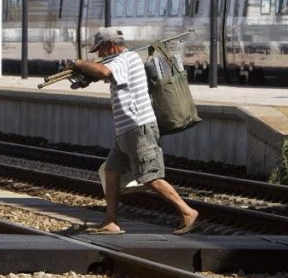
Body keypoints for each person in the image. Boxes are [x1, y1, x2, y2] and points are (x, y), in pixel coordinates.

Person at [70, 27, 198, 235]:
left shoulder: (124, 59)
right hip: (125, 132)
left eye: (100, 50)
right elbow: (105, 75)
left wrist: (78, 63)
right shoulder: (120, 61)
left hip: (138, 128)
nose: (100, 55)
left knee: (150, 177)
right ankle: (111, 222)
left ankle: (187, 212)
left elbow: (104, 72)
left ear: (110, 45)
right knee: (111, 172)